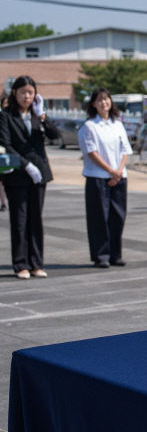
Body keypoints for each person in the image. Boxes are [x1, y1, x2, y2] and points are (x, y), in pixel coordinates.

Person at [0, 75, 59, 279]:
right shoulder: (5, 116)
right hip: (17, 174)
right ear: (14, 93)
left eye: (31, 92)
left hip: (39, 174)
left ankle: (36, 263)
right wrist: (26, 165)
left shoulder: (37, 114)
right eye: (23, 92)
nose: (27, 96)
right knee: (20, 219)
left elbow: (55, 135)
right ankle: (20, 264)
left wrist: (43, 116)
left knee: (36, 219)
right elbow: (6, 145)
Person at [78, 88, 133, 269]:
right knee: (99, 217)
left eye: (107, 99)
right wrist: (110, 171)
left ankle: (116, 254)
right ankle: (101, 255)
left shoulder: (118, 124)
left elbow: (125, 149)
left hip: (119, 177)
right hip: (98, 177)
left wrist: (118, 171)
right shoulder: (89, 126)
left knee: (118, 216)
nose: (104, 103)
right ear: (93, 104)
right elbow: (92, 153)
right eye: (100, 100)